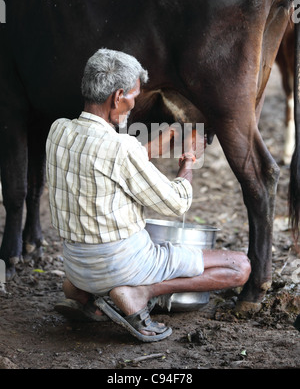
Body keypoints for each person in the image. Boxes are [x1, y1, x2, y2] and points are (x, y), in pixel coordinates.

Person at [46, 48, 251, 342]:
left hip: (76, 267)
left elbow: (108, 159)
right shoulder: (121, 148)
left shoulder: (58, 131)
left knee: (85, 270)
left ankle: (82, 293)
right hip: (125, 265)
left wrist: (162, 140)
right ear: (117, 97)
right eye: (133, 95)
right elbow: (176, 202)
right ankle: (141, 291)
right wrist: (189, 163)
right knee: (239, 267)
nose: (133, 103)